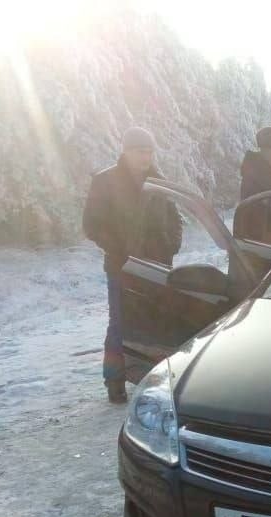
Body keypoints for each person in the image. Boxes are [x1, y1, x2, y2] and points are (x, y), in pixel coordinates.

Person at [82, 126, 181, 404]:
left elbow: (174, 218)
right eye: (140, 151)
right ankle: (114, 381)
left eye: (149, 152)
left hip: (157, 267)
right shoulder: (106, 181)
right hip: (122, 267)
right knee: (120, 324)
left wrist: (172, 244)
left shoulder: (158, 181)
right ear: (126, 152)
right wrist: (120, 250)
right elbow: (91, 224)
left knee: (156, 325)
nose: (146, 157)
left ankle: (155, 381)